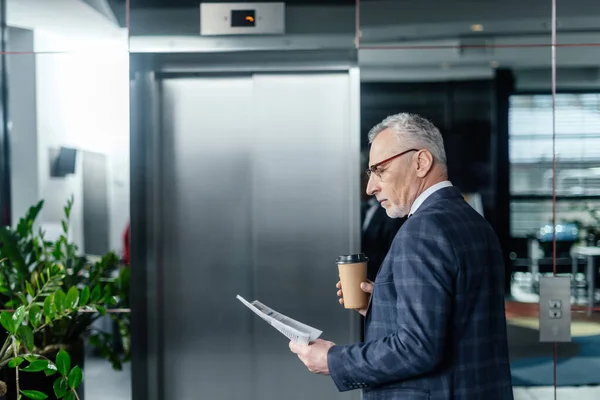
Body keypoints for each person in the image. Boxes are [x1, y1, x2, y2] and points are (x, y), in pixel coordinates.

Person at [289, 113, 513, 399]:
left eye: (379, 170)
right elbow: (459, 320)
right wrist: (384, 306)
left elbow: (418, 347)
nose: (371, 187)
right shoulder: (474, 223)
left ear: (420, 162)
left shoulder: (422, 230)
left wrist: (333, 360)